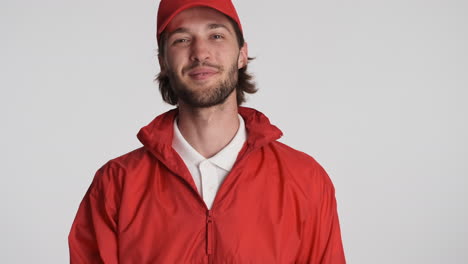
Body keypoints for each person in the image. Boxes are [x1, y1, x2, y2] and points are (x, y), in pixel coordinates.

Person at [68, 0, 346, 263]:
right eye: (182, 39)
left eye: (216, 36)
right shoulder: (116, 185)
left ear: (242, 54)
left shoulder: (305, 180)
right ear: (163, 62)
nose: (200, 52)